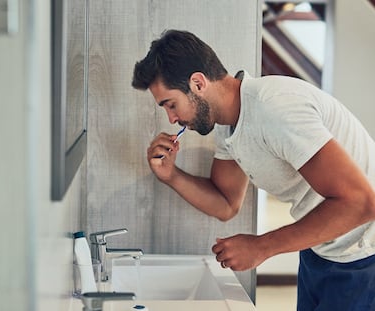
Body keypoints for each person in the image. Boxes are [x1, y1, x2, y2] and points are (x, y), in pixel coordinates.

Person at [131, 29, 375, 310]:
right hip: (322, 250)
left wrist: (262, 247)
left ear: (198, 83)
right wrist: (171, 176)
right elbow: (226, 202)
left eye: (170, 104)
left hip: (365, 256)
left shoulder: (275, 108)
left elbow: (362, 203)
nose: (172, 118)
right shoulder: (229, 125)